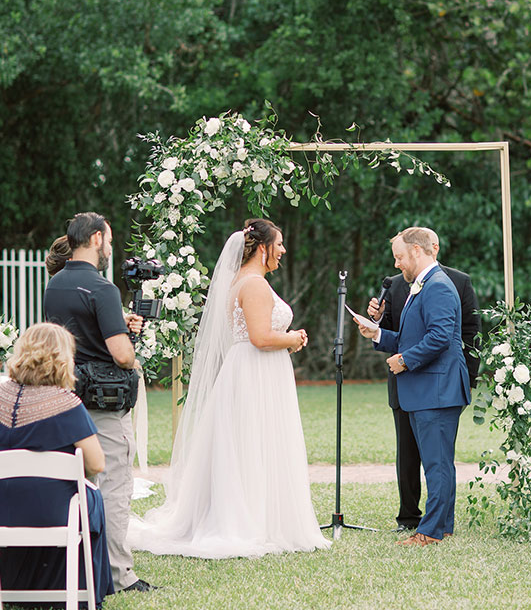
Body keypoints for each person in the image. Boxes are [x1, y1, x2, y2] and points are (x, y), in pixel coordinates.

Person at [128, 218, 331, 559]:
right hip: (254, 373)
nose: (283, 250)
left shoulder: (246, 281)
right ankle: (249, 522)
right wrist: (293, 338)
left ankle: (262, 516)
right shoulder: (252, 284)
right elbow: (260, 337)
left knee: (254, 443)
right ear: (263, 247)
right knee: (251, 442)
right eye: (278, 244)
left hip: (256, 371)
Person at [43, 211, 151, 593]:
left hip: (67, 397)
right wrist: (133, 355)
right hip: (105, 402)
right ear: (94, 240)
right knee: (115, 485)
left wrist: (117, 322)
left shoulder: (54, 285)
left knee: (78, 483)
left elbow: (75, 335)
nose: (110, 248)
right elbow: (121, 354)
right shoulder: (103, 288)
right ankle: (119, 575)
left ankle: (82, 565)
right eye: (108, 239)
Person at [356, 226, 470, 546]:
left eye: (400, 257)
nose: (397, 264)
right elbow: (413, 336)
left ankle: (430, 531)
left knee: (436, 464)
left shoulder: (438, 287)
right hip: (429, 389)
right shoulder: (421, 286)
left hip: (437, 389)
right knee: (439, 462)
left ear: (417, 252)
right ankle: (443, 525)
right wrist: (377, 335)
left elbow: (440, 337)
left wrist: (404, 360)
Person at [0, 322, 114, 606]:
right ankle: (82, 590)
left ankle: (16, 586)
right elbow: (97, 464)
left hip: (3, 510)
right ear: (63, 358)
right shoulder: (66, 404)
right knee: (92, 498)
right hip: (56, 513)